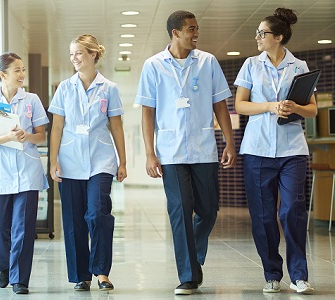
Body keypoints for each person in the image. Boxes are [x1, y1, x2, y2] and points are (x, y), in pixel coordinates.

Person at [135, 10, 236, 295]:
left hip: (204, 149)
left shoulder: (208, 62)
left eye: (197, 29)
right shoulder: (153, 65)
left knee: (208, 211)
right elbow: (147, 112)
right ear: (175, 32)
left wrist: (229, 142)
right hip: (170, 152)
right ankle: (189, 274)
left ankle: (191, 255)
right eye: (191, 29)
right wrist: (149, 153)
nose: (196, 34)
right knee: (180, 211)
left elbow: (220, 105)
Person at [233, 7, 316, 295]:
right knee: (264, 215)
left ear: (278, 37)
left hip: (293, 149)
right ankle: (271, 273)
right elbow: (241, 105)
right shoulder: (251, 65)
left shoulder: (300, 66)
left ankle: (298, 275)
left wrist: (294, 107)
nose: (257, 37)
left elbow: (312, 109)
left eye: (262, 33)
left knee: (292, 210)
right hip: (257, 150)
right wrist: (270, 106)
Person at [48, 34, 127, 292]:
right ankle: (81, 275)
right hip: (70, 162)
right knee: (73, 221)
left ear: (93, 54)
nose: (74, 59)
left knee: (97, 213)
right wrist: (53, 161)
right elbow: (57, 126)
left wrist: (122, 161)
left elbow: (116, 125)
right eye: (71, 54)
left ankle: (102, 271)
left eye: (79, 53)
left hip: (101, 161)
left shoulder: (109, 88)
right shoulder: (64, 88)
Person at [0, 52, 49, 295]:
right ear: (3, 75)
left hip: (27, 171)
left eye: (23, 70)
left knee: (24, 228)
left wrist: (27, 137)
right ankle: (4, 267)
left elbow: (41, 135)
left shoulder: (32, 100)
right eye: (17, 70)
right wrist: (7, 136)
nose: (22, 74)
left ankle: (20, 279)